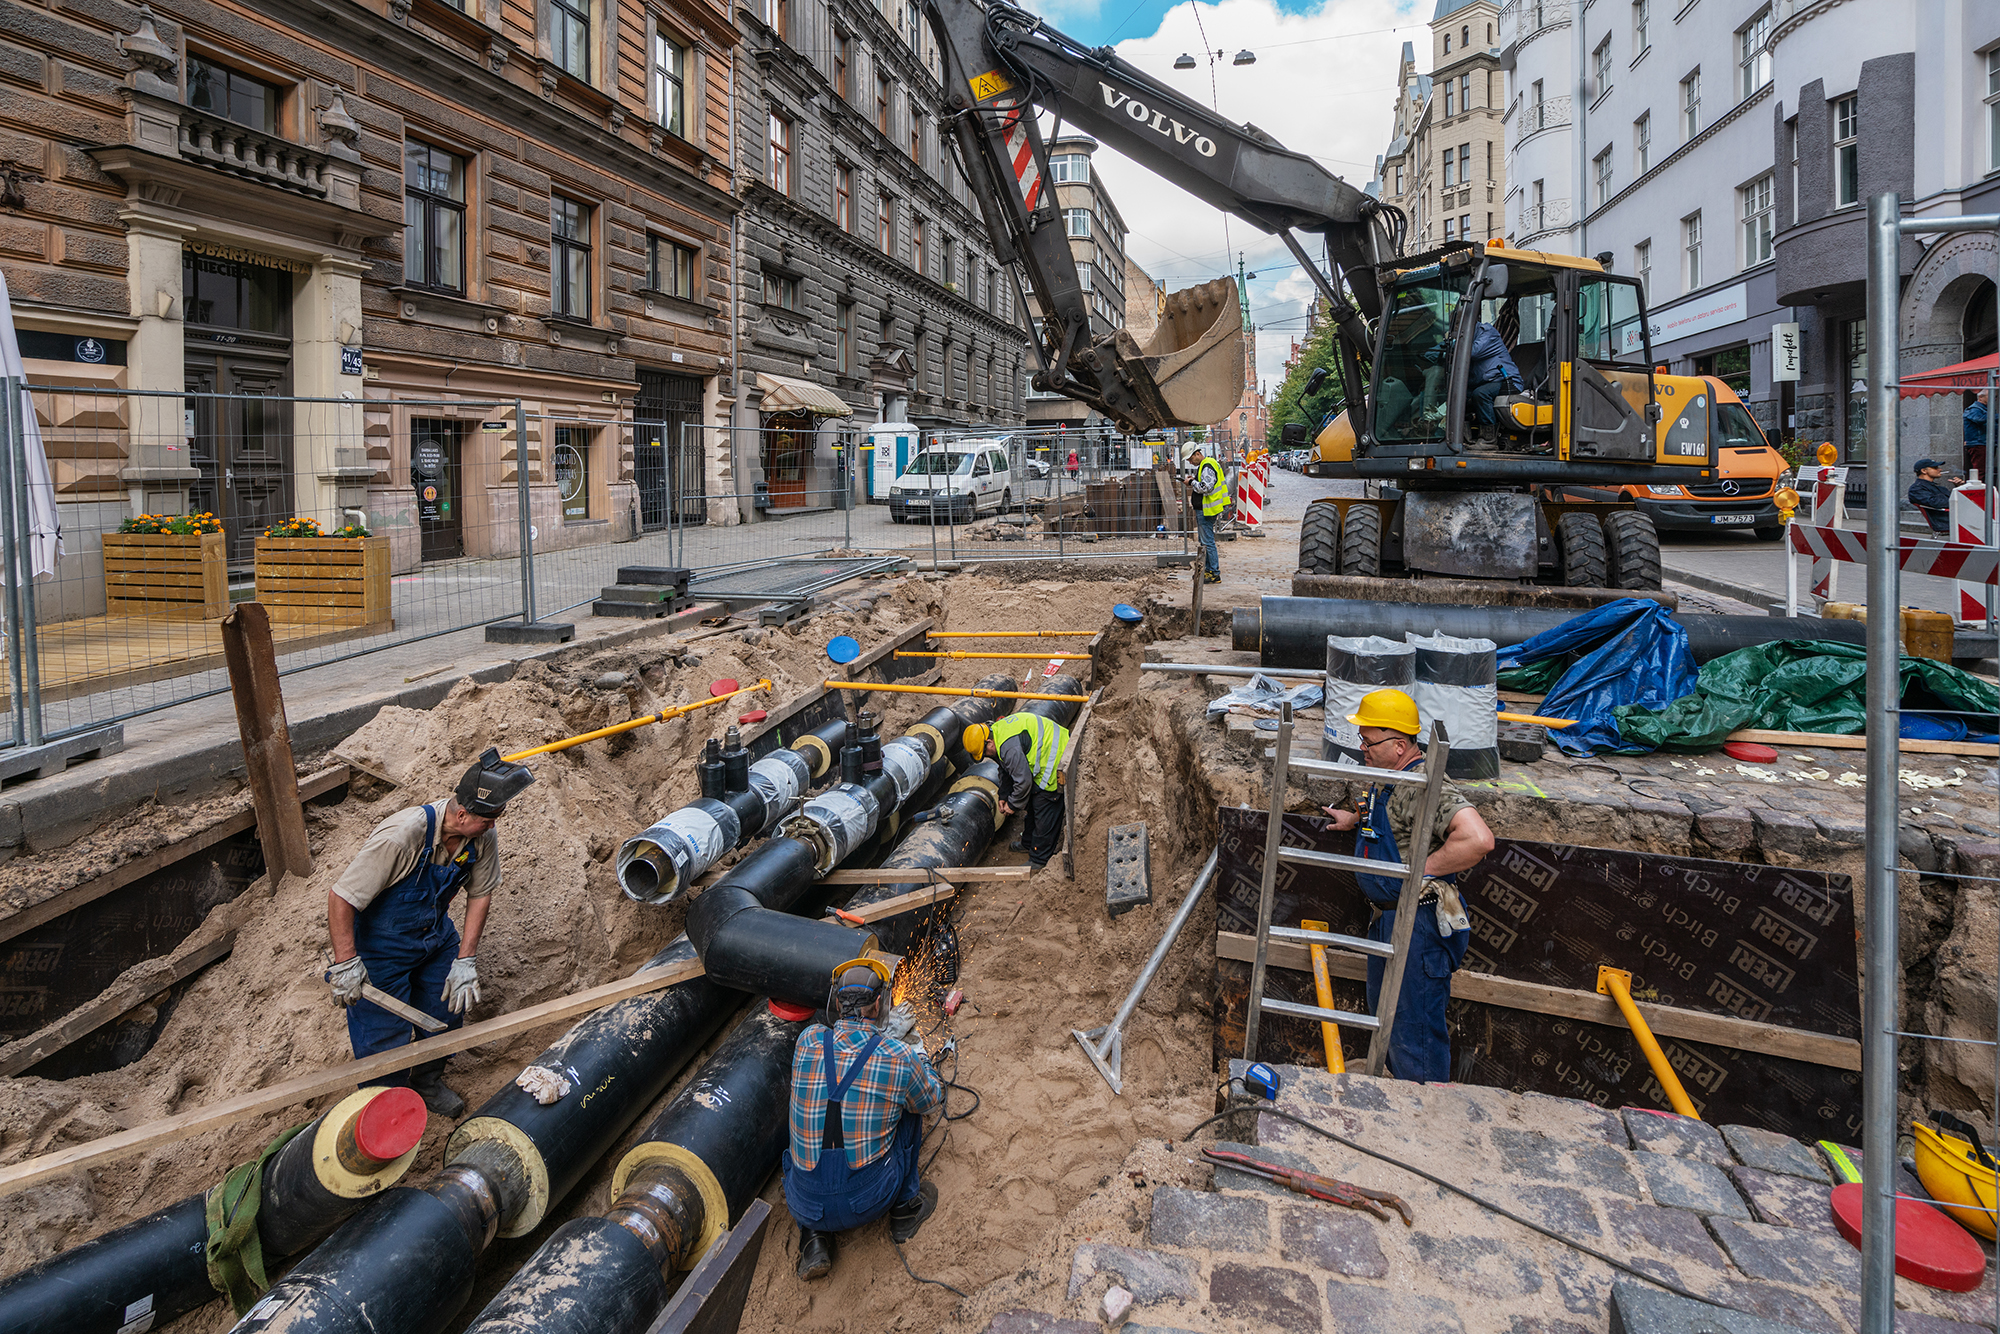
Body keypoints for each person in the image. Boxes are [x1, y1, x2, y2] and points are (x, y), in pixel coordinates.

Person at [324, 748, 535, 1118]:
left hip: (433, 936)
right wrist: (346, 962)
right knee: (383, 1037)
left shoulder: (482, 835)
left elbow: (480, 894)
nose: (494, 824)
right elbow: (342, 897)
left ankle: (427, 1083)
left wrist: (465, 959)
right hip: (380, 946)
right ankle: (384, 1108)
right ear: (462, 813)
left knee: (444, 1010)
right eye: (488, 818)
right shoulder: (402, 837)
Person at [1319, 689, 1495, 1083]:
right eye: (1361, 739)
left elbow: (1478, 839)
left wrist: (1417, 872)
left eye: (1370, 741)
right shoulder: (1391, 779)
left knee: (1414, 1033)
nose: (1362, 747)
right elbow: (1392, 820)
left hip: (1418, 928)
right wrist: (1355, 820)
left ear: (1400, 745)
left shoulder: (1423, 784)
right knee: (1390, 1025)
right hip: (1388, 921)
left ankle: (1423, 1118)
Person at [785, 959, 944, 1281]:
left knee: (801, 1138)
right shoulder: (899, 1056)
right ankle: (904, 1212)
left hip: (805, 1203)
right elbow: (930, 1102)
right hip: (868, 1198)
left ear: (837, 1002)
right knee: (908, 1110)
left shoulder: (808, 1041)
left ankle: (814, 1239)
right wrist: (921, 1057)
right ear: (880, 1003)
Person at [967, 713, 1070, 870]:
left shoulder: (1009, 747)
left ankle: (1039, 859)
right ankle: (1028, 843)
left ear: (989, 742)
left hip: (1057, 756)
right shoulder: (997, 732)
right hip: (1050, 748)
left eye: (985, 752)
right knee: (1031, 800)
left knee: (1044, 803)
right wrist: (1003, 795)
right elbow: (1005, 769)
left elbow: (1023, 781)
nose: (987, 756)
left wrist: (1013, 805)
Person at [1429, 321, 1524, 438]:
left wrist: (1453, 343)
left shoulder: (1487, 333)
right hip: (1483, 382)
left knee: (1480, 394)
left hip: (1505, 380)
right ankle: (1461, 436)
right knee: (1457, 394)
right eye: (1454, 325)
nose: (1456, 328)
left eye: (1458, 324)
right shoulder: (1462, 339)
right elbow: (1430, 354)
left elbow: (1471, 352)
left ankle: (1489, 438)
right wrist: (1446, 347)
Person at [1188, 442, 1228, 584]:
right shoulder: (1206, 464)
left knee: (1207, 542)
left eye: (1191, 459)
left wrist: (1192, 483)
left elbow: (1206, 487)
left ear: (1197, 454)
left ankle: (1214, 573)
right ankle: (1210, 570)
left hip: (1207, 509)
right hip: (1206, 508)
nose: (1190, 462)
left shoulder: (1207, 465)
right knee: (1205, 541)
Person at [1910, 457, 1963, 537]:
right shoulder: (1917, 489)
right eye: (1935, 468)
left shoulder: (1938, 487)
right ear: (1924, 471)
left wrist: (1959, 488)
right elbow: (1937, 503)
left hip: (1957, 518)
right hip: (1947, 521)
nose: (1940, 470)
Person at [1965, 390, 1988, 480]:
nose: (1994, 399)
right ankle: (1978, 490)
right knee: (1980, 470)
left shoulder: (1983, 409)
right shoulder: (1974, 409)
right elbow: (1980, 419)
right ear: (1981, 397)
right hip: (1979, 443)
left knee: (1983, 469)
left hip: (1983, 442)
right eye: (1990, 396)